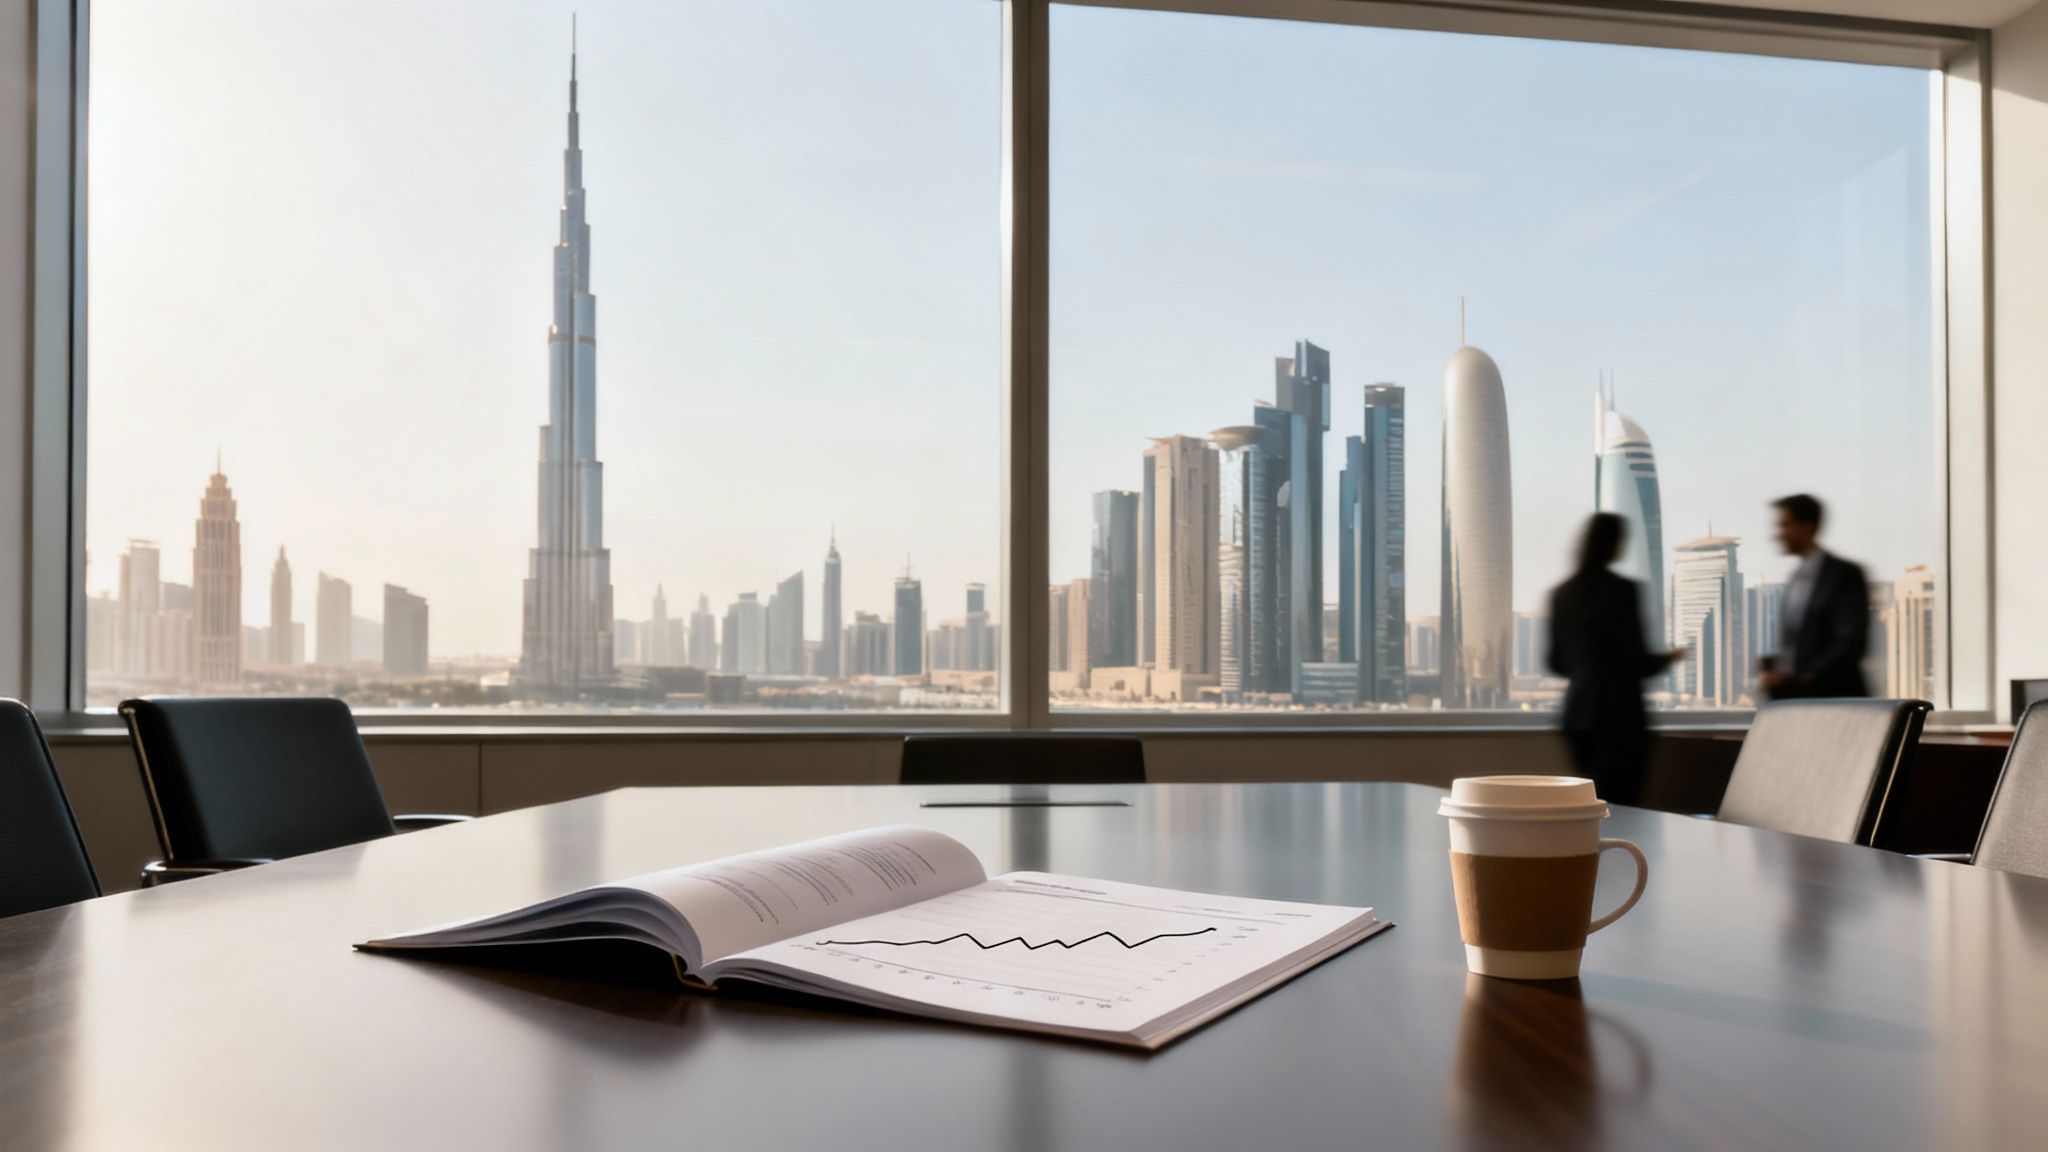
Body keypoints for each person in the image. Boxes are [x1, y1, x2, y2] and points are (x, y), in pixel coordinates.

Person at [1547, 513, 1683, 805]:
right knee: (1624, 808)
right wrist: (1669, 658)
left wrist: (1587, 667)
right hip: (1620, 717)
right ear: (1613, 544)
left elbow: (1555, 662)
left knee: (1592, 806)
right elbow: (1636, 661)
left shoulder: (1561, 594)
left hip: (1578, 716)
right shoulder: (1623, 591)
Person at [1759, 493, 1870, 700]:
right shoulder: (1794, 580)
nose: (1778, 534)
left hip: (1835, 699)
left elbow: (1850, 643)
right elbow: (1797, 644)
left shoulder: (1844, 575)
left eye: (1785, 525)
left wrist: (1804, 676)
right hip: (1799, 700)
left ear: (1808, 527)